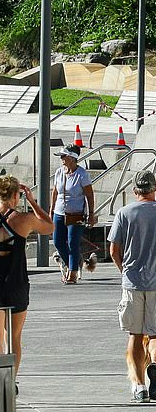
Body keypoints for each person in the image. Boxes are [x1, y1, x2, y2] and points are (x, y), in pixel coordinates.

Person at [108, 171, 156, 403]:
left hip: (133, 280)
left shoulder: (125, 213)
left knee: (135, 334)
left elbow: (114, 250)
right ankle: (154, 363)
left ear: (135, 191)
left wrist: (124, 270)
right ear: (155, 190)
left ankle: (139, 386)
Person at [0, 175, 53, 387]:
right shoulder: (23, 219)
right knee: (14, 339)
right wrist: (32, 201)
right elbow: (49, 226)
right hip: (16, 284)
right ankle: (10, 381)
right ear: (16, 195)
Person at [50, 144, 96, 285]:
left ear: (72, 158)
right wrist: (51, 209)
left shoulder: (82, 174)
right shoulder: (59, 172)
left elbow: (89, 195)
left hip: (76, 213)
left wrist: (91, 213)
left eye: (64, 156)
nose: (62, 159)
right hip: (59, 212)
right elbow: (55, 192)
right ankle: (73, 263)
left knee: (72, 243)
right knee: (58, 242)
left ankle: (73, 273)